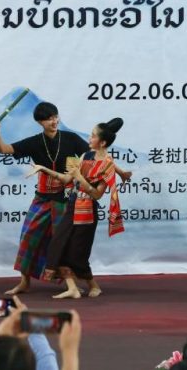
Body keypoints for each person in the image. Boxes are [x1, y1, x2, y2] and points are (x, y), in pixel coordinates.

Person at [0, 102, 129, 295]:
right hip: (42, 197)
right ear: (40, 122)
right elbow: (4, 150)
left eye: (56, 117)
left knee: (64, 244)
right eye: (49, 119)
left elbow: (97, 156)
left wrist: (120, 172)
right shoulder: (35, 142)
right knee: (28, 237)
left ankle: (82, 284)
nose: (54, 121)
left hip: (65, 198)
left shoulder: (70, 139)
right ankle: (24, 282)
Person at [33, 118, 126, 299]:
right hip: (73, 205)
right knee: (57, 245)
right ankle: (73, 288)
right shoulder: (86, 156)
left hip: (87, 211)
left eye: (92, 136)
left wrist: (80, 178)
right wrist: (43, 169)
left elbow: (97, 194)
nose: (89, 139)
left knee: (77, 253)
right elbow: (68, 179)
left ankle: (93, 285)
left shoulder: (107, 164)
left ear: (103, 142)